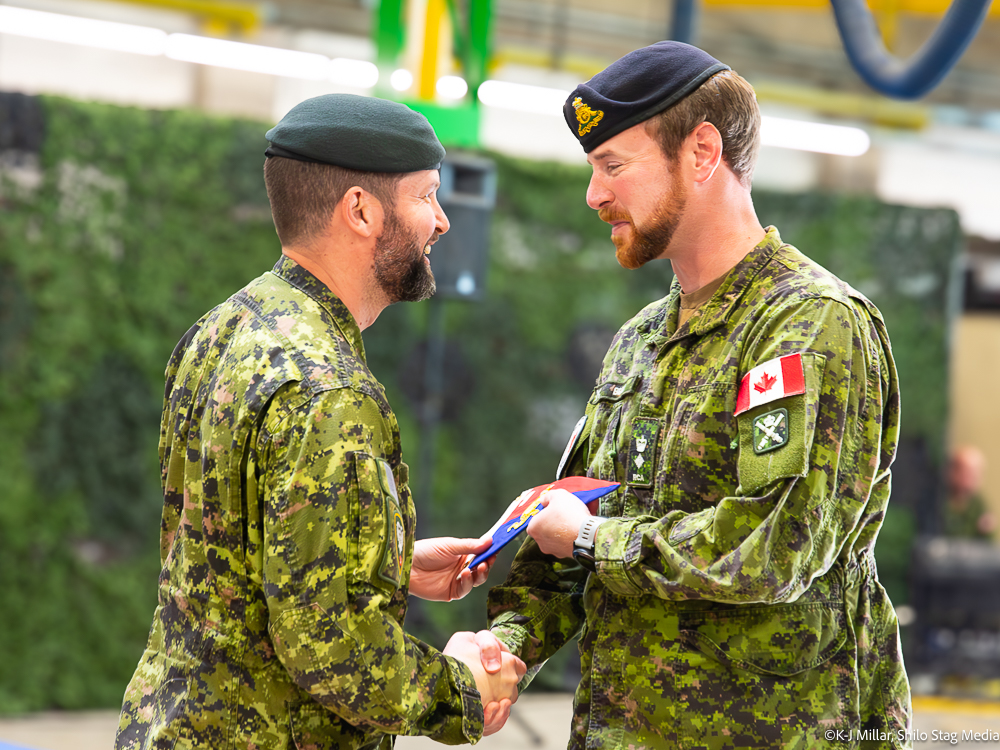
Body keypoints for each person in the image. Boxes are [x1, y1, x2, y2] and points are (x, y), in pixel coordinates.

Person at [485, 41, 911, 748]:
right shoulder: (639, 340)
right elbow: (570, 527)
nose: (594, 195)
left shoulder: (808, 324)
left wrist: (591, 537)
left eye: (612, 166)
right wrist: (503, 649)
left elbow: (773, 547)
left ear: (702, 153)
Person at [115, 93, 524, 750]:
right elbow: (330, 651)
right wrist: (463, 687)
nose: (443, 221)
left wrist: (384, 563)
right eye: (426, 197)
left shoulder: (222, 330)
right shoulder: (328, 387)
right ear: (360, 210)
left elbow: (232, 556)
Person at [943, 444, 995, 540]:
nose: (974, 479)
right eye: (968, 473)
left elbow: (987, 545)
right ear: (953, 472)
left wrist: (987, 530)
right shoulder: (940, 499)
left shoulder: (977, 503)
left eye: (978, 474)